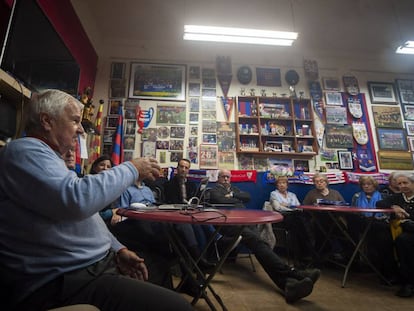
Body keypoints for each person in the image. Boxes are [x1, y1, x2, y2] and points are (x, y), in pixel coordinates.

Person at [0, 89, 192, 311]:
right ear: (46, 121)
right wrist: (131, 168)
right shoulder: (24, 150)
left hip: (92, 268)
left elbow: (87, 217)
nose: (81, 130)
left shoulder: (49, 158)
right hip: (63, 282)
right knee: (179, 307)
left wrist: (117, 249)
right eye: (74, 121)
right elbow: (76, 200)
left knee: (158, 267)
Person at [209, 169, 321, 304]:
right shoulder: (213, 190)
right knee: (257, 241)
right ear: (218, 178)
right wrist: (234, 198)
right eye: (223, 177)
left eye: (228, 177)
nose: (226, 179)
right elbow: (218, 199)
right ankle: (295, 274)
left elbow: (247, 196)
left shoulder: (235, 189)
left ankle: (288, 284)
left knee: (260, 243)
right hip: (228, 224)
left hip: (245, 221)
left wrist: (232, 195)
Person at [163, 159, 216, 270]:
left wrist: (198, 200)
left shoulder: (192, 185)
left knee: (202, 223)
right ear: (177, 168)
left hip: (191, 214)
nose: (183, 169)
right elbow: (170, 202)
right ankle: (199, 260)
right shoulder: (168, 185)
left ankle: (216, 242)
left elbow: (195, 200)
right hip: (177, 215)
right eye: (181, 167)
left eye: (186, 168)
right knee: (192, 227)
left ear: (188, 170)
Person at [349, 176, 397, 281]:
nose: (366, 186)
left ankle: (386, 271)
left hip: (380, 224)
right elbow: (353, 212)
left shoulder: (384, 196)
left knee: (382, 236)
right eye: (364, 184)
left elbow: (388, 214)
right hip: (362, 224)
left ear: (374, 185)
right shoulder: (356, 196)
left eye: (369, 184)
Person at [376, 172, 414, 297]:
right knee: (381, 236)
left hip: (410, 230)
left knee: (403, 240)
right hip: (400, 229)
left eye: (405, 183)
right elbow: (379, 204)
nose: (402, 186)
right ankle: (392, 274)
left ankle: (409, 283)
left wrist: (405, 221)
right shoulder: (398, 197)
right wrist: (394, 207)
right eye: (400, 184)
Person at [269, 176, 315, 265]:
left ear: (287, 185)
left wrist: (286, 205)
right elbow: (278, 207)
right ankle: (308, 253)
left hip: (295, 217)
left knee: (299, 225)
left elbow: (299, 207)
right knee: (300, 223)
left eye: (284, 183)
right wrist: (292, 207)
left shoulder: (292, 195)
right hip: (282, 218)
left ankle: (301, 256)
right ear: (277, 185)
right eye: (279, 183)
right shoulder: (274, 194)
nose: (282, 185)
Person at [302, 173, 346, 259]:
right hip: (318, 220)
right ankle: (322, 255)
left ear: (326, 182)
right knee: (320, 225)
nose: (319, 183)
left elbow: (344, 206)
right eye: (316, 182)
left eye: (321, 181)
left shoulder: (335, 193)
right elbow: (304, 207)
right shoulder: (311, 194)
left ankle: (343, 253)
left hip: (336, 221)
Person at [89, 155, 122, 226]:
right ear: (94, 167)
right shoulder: (89, 185)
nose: (105, 168)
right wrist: (112, 212)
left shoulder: (113, 186)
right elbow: (93, 216)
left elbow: (117, 208)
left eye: (108, 166)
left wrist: (116, 213)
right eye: (102, 165)